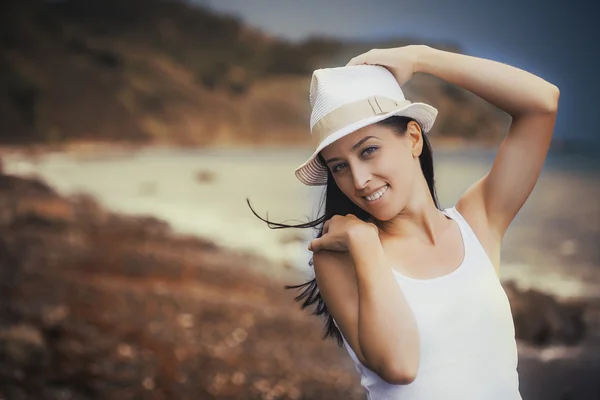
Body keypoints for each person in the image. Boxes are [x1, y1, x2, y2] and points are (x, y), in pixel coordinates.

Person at [248, 44, 559, 399]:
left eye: (368, 150)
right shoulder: (339, 257)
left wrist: (422, 57)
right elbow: (400, 365)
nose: (360, 179)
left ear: (413, 138)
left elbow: (542, 103)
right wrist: (366, 246)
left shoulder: (478, 220)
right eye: (339, 167)